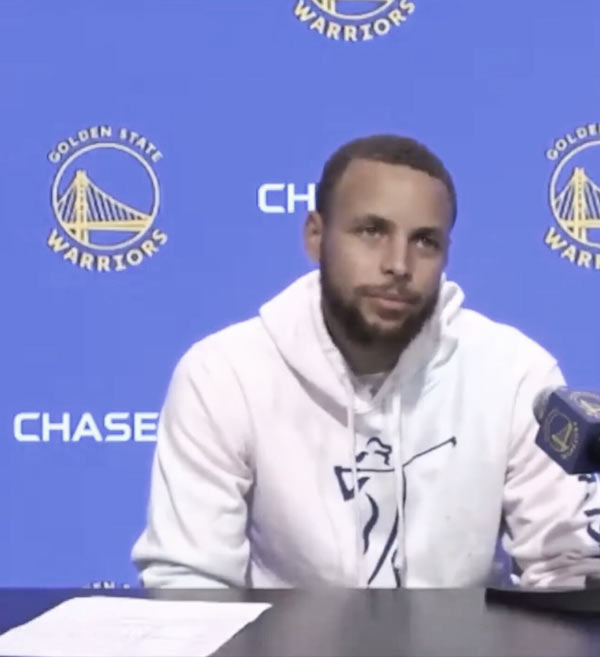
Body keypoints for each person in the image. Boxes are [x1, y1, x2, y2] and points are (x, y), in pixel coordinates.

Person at [132, 134, 600, 589]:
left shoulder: (514, 374)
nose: (398, 264)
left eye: (425, 241)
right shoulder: (224, 375)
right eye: (371, 231)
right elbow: (191, 585)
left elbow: (568, 570)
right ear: (315, 236)